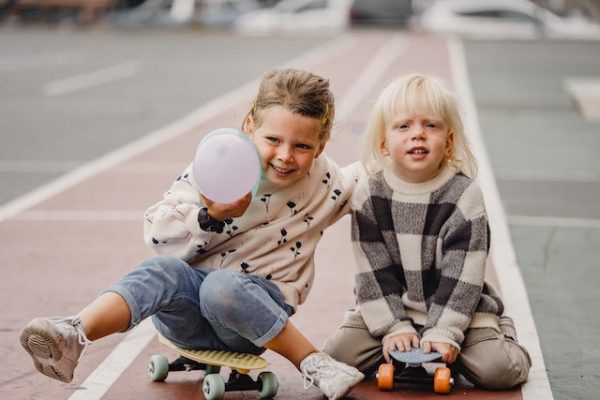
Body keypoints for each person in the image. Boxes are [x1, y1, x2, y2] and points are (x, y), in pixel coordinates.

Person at [20, 68, 364, 399]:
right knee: (164, 270)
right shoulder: (218, 166)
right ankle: (74, 335)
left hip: (251, 322)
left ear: (321, 144)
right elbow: (157, 233)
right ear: (249, 126)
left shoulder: (329, 183)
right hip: (188, 318)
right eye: (273, 139)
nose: (285, 156)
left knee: (221, 287)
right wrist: (209, 215)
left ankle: (314, 363)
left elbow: (379, 171)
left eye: (302, 146)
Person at [322, 73, 531, 389]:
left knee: (500, 371)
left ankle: (478, 339)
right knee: (334, 358)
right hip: (393, 307)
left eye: (430, 126)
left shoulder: (463, 195)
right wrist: (393, 327)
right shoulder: (369, 193)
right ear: (384, 143)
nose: (417, 135)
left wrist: (444, 331)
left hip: (459, 310)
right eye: (403, 126)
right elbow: (372, 273)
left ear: (447, 142)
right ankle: (404, 348)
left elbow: (464, 277)